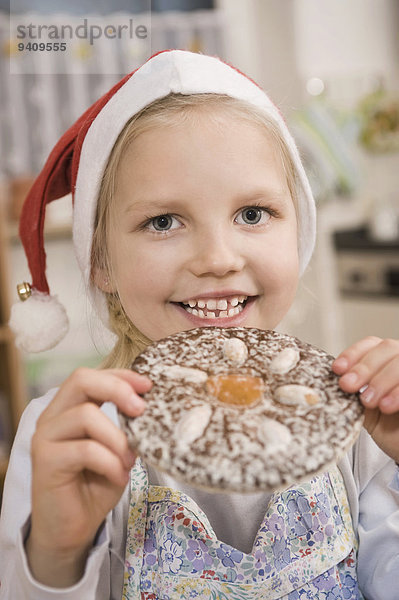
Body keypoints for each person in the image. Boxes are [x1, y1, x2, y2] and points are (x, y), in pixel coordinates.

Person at [0, 49, 398, 600]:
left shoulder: (356, 422)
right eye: (163, 221)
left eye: (253, 214)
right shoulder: (69, 438)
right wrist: (56, 554)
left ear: (297, 232)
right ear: (101, 261)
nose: (217, 258)